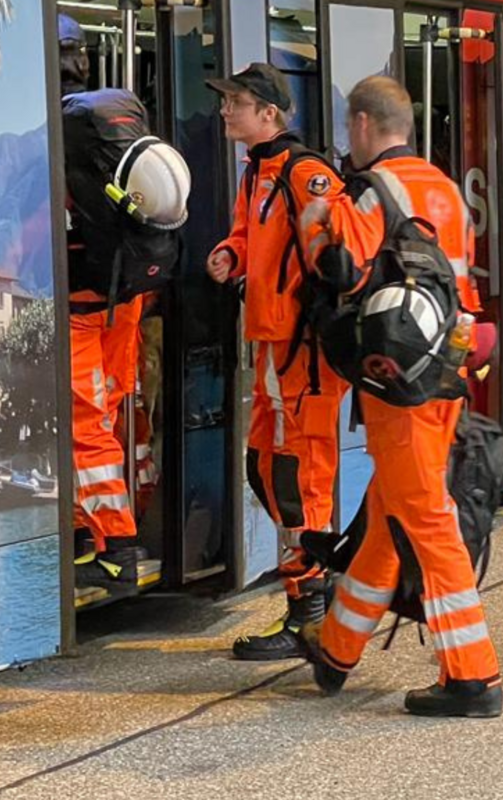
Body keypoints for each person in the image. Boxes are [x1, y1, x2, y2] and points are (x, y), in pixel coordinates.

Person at [300, 76, 502, 718]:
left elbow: (341, 271)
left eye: (348, 128)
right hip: (447, 369)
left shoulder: (369, 193)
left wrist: (318, 218)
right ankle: (336, 648)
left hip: (398, 379)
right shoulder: (443, 187)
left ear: (363, 124)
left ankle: (473, 677)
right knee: (393, 508)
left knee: (425, 517)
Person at [206, 63, 349, 661]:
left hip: (304, 358)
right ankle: (316, 594)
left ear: (269, 114)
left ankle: (312, 617)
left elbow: (339, 258)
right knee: (264, 470)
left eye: (235, 102)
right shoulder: (256, 174)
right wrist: (230, 256)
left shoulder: (305, 174)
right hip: (272, 349)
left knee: (300, 483)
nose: (224, 111)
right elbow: (251, 238)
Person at [59, 14, 148, 592]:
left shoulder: (54, 125)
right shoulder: (121, 111)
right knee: (108, 410)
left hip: (79, 296)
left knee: (83, 422)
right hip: (127, 290)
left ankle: (115, 546)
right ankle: (84, 528)